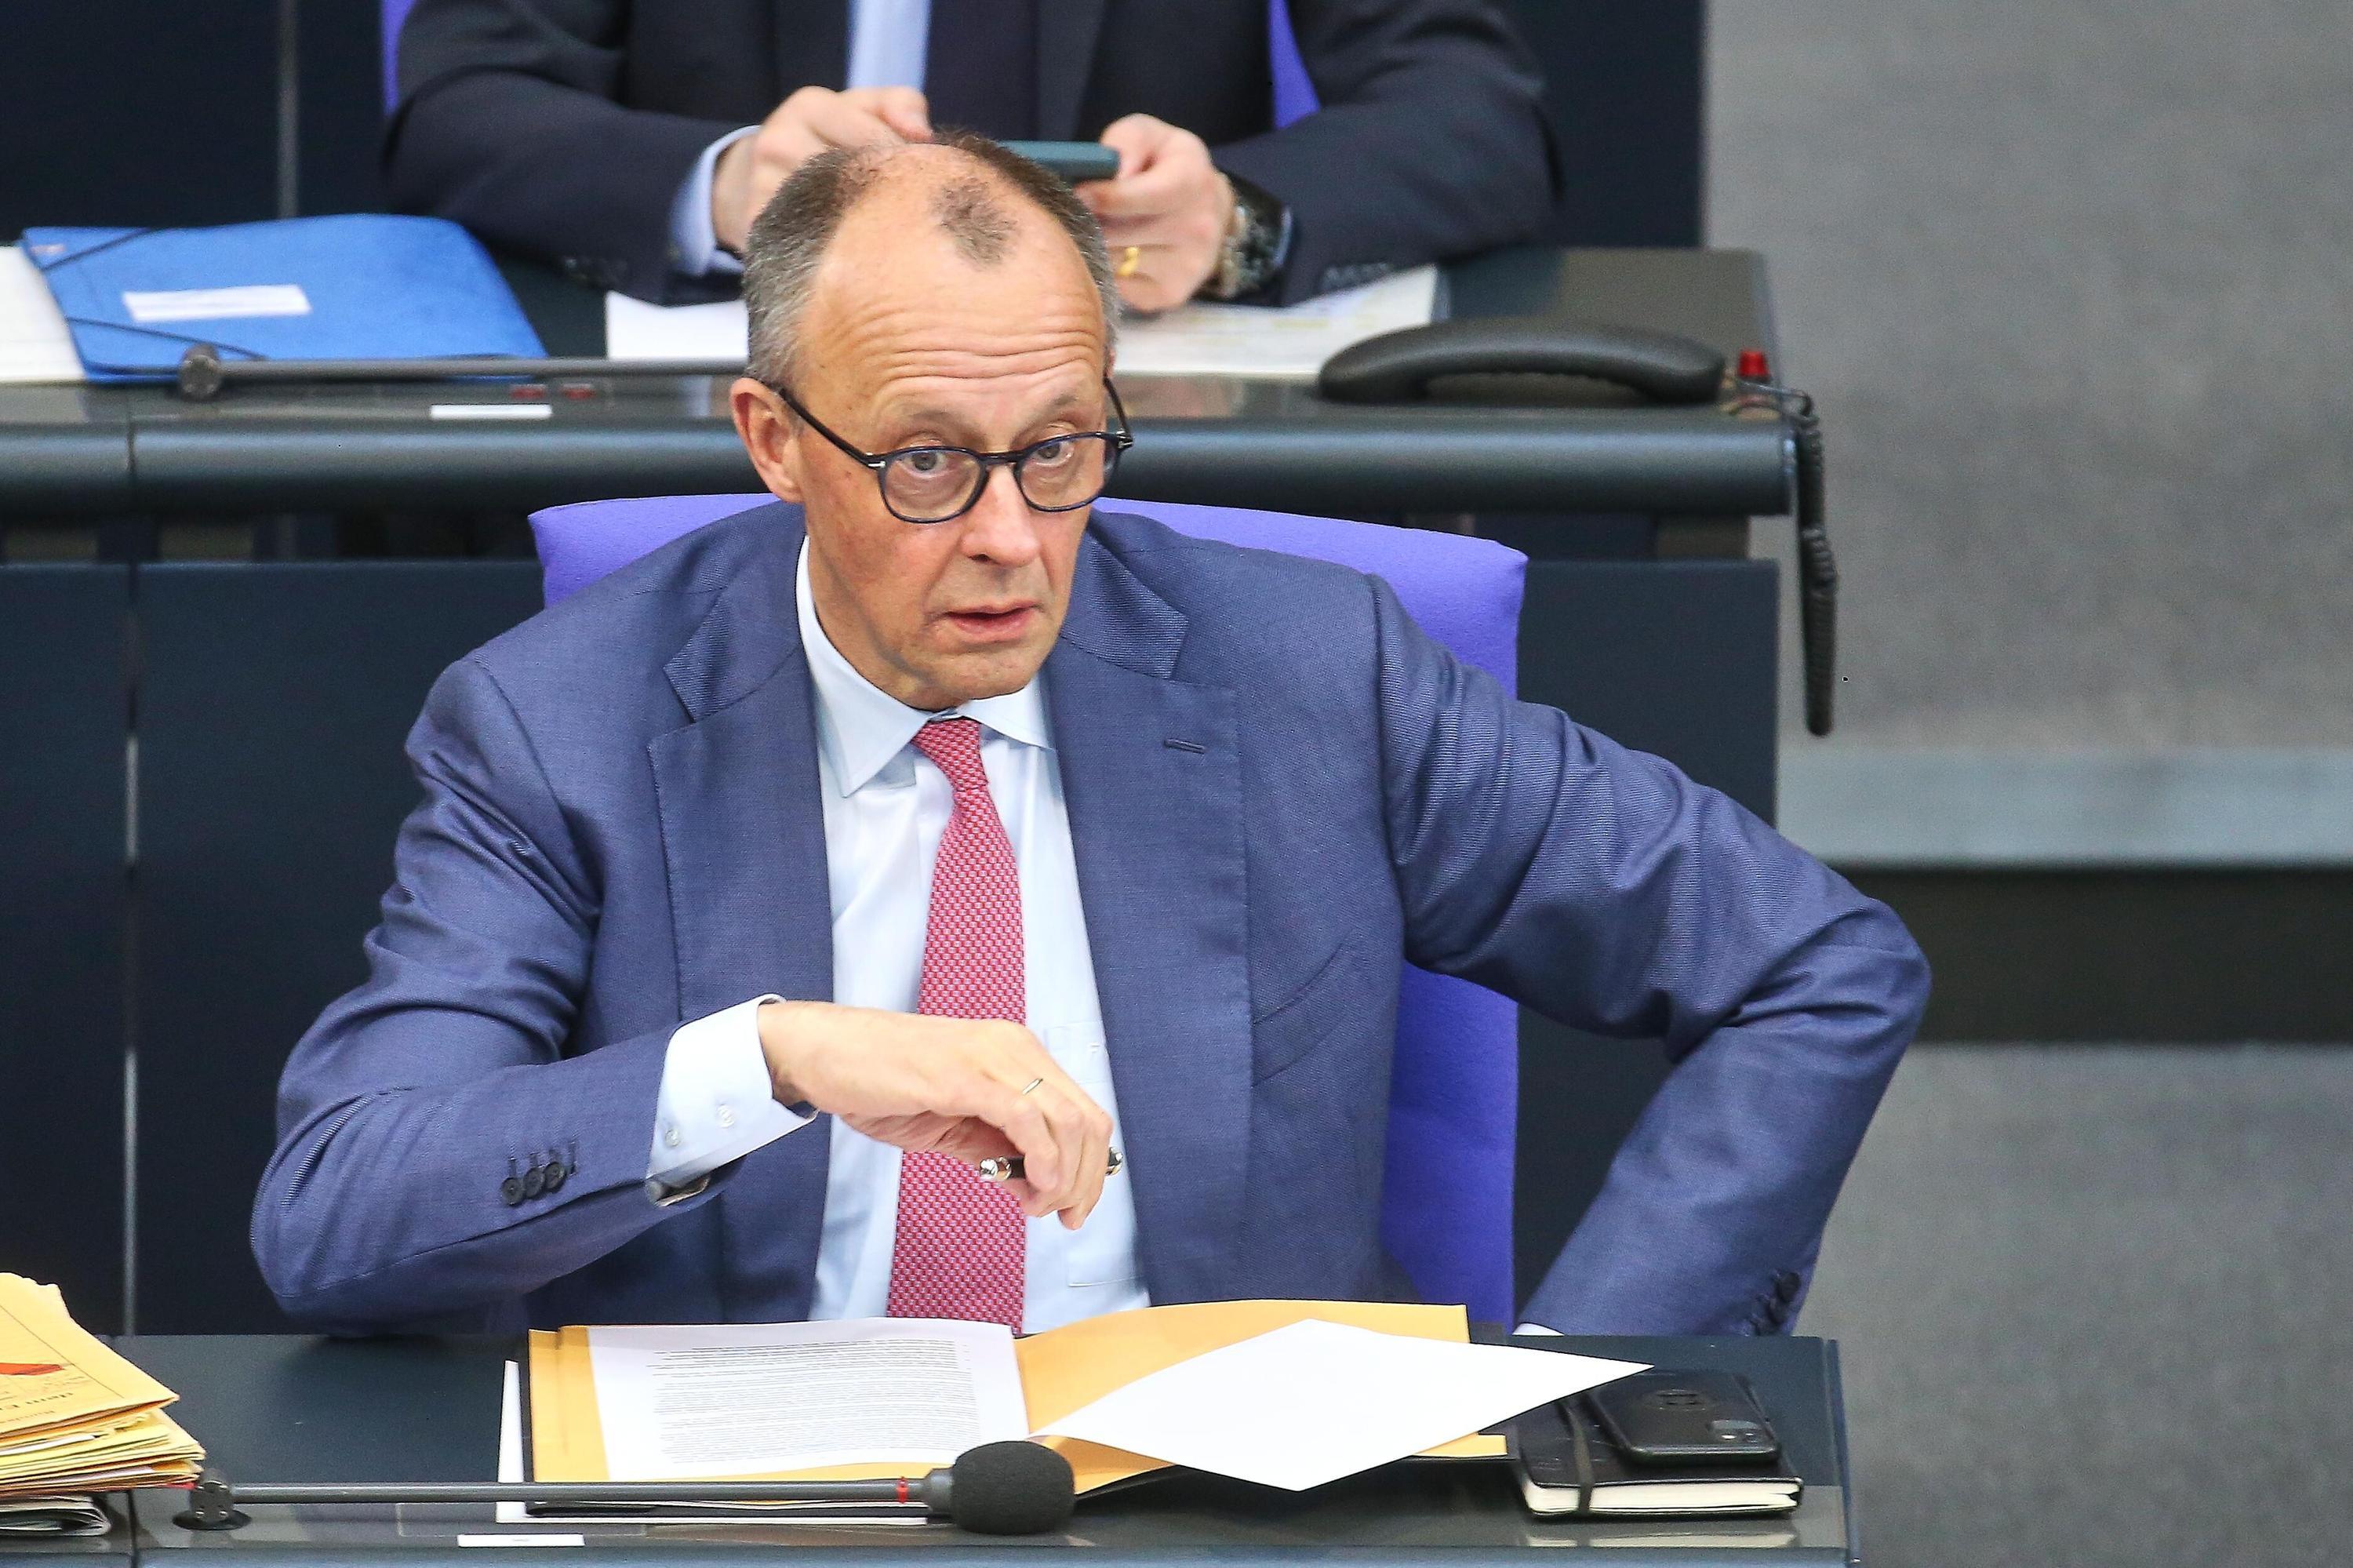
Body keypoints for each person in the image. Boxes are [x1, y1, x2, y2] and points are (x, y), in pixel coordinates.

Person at [253, 133, 1929, 1337]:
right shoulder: (560, 725)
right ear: (775, 441)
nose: (1009, 539)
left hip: (1213, 1510)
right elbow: (338, 1211)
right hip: (759, 1515)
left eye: (1059, 449)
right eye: (927, 461)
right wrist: (765, 1059)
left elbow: (1809, 961)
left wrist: (1585, 1397)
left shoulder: (1310, 677)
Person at [386, 0, 1556, 308]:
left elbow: (1473, 113)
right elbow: (460, 105)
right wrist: (728, 184)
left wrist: (1232, 221)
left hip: (1145, 449)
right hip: (718, 441)